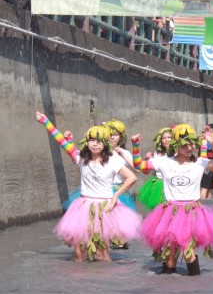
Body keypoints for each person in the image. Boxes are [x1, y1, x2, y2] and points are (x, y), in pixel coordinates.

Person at [35, 112, 141, 262]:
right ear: (87, 142)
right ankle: (78, 282)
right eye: (92, 140)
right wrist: (46, 121)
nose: (95, 144)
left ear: (104, 143)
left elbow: (132, 177)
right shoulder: (80, 157)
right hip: (83, 206)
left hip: (104, 208)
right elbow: (61, 142)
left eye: (99, 141)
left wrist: (115, 196)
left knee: (102, 254)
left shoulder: (113, 160)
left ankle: (104, 282)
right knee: (79, 252)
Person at [131, 124, 213, 276]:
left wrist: (212, 142)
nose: (189, 147)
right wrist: (135, 145)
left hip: (192, 211)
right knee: (170, 256)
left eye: (191, 144)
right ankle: (167, 289)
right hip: (170, 211)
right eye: (185, 144)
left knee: (188, 251)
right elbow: (139, 165)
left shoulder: (200, 163)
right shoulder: (164, 161)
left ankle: (195, 285)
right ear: (176, 144)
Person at [136, 127, 172, 210]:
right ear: (160, 141)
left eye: (169, 137)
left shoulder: (178, 153)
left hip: (172, 184)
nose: (167, 140)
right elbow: (145, 171)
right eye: (164, 138)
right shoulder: (156, 154)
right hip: (159, 186)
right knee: (159, 210)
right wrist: (147, 159)